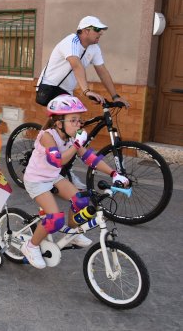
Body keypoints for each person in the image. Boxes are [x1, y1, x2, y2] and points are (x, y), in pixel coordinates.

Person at [20, 95, 130, 269]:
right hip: (36, 180)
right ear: (58, 122)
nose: (79, 124)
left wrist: (114, 173)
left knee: (82, 201)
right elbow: (59, 161)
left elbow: (90, 157)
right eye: (73, 120)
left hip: (53, 177)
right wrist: (76, 145)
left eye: (79, 120)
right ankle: (31, 246)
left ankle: (73, 233)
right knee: (55, 219)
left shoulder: (71, 138)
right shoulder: (47, 137)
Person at [39, 16, 130, 107]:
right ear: (86, 31)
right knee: (71, 118)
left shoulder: (94, 48)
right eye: (97, 29)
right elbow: (76, 66)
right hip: (50, 87)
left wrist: (115, 97)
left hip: (67, 91)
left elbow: (102, 72)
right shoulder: (71, 41)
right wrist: (87, 91)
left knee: (74, 119)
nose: (101, 33)